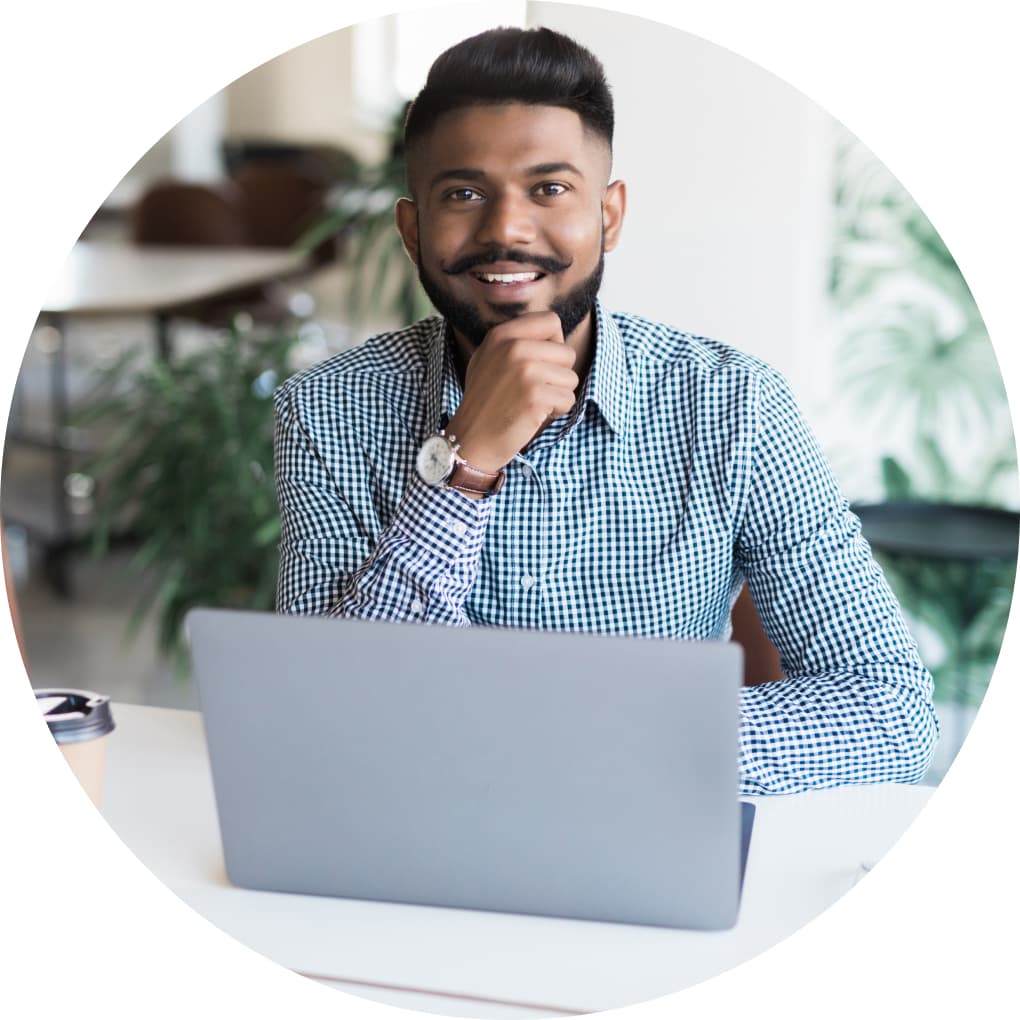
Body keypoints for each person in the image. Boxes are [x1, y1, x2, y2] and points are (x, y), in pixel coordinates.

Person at [273, 26, 938, 794]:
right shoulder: (324, 410)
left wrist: (598, 757)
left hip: (648, 829)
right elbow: (325, 718)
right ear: (413, 230)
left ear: (610, 217)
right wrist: (464, 464)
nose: (507, 231)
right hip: (411, 836)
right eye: (463, 193)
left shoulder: (734, 404)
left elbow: (889, 709)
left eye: (550, 189)